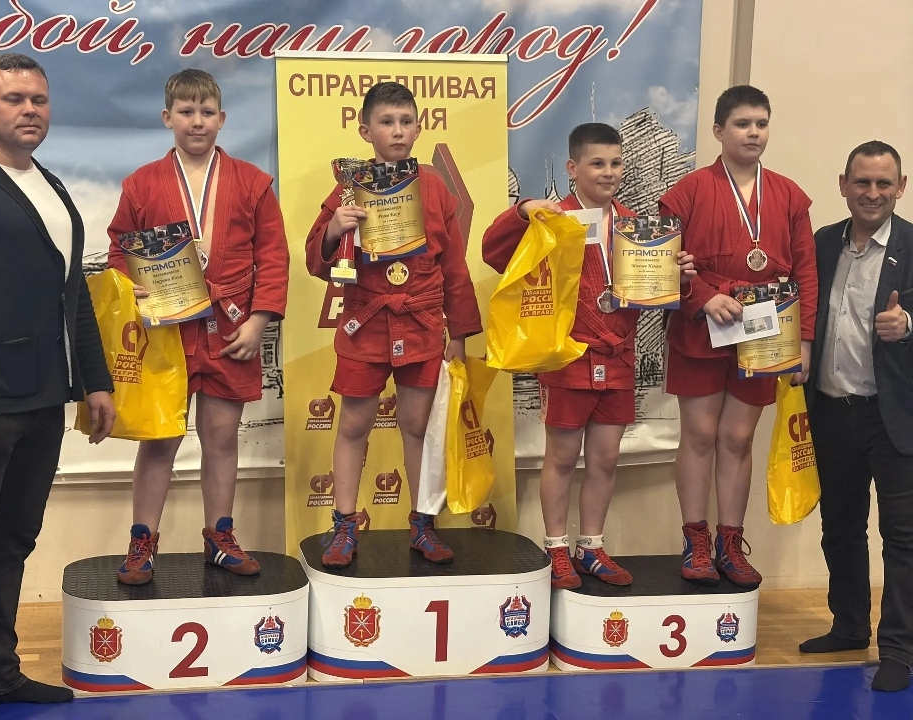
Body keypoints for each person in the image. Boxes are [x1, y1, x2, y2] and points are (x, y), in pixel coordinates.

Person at [0, 53, 115, 718]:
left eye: (39, 100)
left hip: (45, 399)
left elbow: (73, 291)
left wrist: (96, 380)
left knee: (12, 542)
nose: (29, 110)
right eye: (14, 98)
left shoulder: (51, 186)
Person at [482, 123, 695, 589]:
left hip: (619, 354)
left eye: (616, 163)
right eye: (597, 163)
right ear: (572, 168)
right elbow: (493, 252)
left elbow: (654, 294)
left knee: (605, 459)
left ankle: (591, 547)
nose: (608, 172)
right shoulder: (552, 218)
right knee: (561, 457)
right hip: (569, 355)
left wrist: (677, 277)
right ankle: (556, 548)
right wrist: (522, 212)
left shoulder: (639, 227)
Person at [107, 69, 289, 585]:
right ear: (168, 118)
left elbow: (274, 256)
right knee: (160, 440)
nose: (197, 121)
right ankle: (142, 541)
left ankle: (219, 536)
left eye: (207, 112)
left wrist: (259, 320)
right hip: (167, 331)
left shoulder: (253, 182)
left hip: (231, 329)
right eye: (186, 112)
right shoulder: (141, 183)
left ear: (222, 119)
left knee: (222, 437)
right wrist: (132, 286)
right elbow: (119, 249)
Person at [306, 81, 481, 568]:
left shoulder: (435, 187)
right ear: (366, 130)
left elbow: (455, 267)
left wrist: (459, 334)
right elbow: (316, 261)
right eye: (387, 122)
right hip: (365, 323)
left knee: (417, 426)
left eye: (406, 122)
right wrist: (334, 230)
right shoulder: (348, 187)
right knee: (354, 424)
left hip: (421, 324)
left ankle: (423, 524)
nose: (398, 131)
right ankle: (344, 525)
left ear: (419, 127)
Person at [659, 85, 818, 588]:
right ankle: (695, 539)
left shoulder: (789, 195)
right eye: (743, 124)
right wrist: (702, 297)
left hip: (766, 328)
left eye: (761, 124)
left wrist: (805, 340)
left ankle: (730, 542)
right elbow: (662, 264)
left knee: (738, 437)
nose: (753, 133)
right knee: (700, 435)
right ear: (718, 131)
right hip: (702, 328)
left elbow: (806, 271)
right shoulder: (688, 191)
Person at [799, 141, 913, 693]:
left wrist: (909, 326)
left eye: (883, 183)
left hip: (894, 416)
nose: (872, 193)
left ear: (901, 187)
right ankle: (848, 626)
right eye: (862, 182)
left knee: (902, 538)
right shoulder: (822, 243)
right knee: (840, 527)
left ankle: (899, 649)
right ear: (843, 184)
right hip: (831, 409)